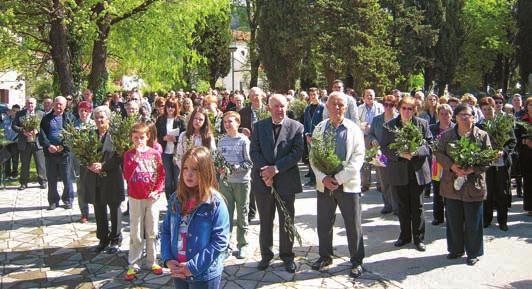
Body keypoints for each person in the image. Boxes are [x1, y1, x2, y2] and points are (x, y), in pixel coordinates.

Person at [310, 92, 366, 278]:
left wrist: (339, 179)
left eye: (341, 104)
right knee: (324, 223)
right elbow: (313, 157)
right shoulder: (319, 128)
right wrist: (323, 177)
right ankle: (325, 256)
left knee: (353, 224)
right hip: (324, 184)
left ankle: (357, 261)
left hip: (347, 185)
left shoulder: (354, 129)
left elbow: (358, 158)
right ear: (327, 106)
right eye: (333, 104)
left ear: (346, 107)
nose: (337, 108)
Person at [161, 146, 230, 289]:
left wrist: (193, 267)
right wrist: (168, 258)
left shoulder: (214, 203)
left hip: (203, 275)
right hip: (178, 270)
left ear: (205, 171)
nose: (189, 174)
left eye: (195, 169)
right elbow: (166, 231)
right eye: (185, 168)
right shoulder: (176, 198)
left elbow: (220, 241)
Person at [250, 94, 304, 273]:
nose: (280, 110)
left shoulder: (297, 127)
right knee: (265, 220)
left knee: (287, 221)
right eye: (276, 106)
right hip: (263, 181)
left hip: (286, 181)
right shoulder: (258, 127)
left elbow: (296, 153)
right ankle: (266, 255)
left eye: (283, 106)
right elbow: (254, 151)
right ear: (269, 108)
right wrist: (265, 171)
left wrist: (275, 169)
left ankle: (287, 256)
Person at [434, 104, 491, 265]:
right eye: (461, 115)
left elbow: (488, 157)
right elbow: (438, 153)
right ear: (456, 117)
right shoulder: (447, 136)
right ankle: (456, 249)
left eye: (468, 115)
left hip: (473, 184)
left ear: (473, 117)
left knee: (473, 220)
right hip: (452, 184)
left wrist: (472, 168)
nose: (464, 118)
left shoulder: (482, 135)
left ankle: (473, 252)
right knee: (454, 219)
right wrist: (452, 166)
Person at [381, 96, 432, 252]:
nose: (407, 111)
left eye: (410, 108)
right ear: (399, 108)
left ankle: (419, 238)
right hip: (399, 171)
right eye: (404, 108)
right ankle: (404, 236)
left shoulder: (422, 124)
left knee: (417, 207)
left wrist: (416, 152)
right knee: (402, 206)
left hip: (417, 171)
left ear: (414, 110)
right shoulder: (389, 126)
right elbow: (385, 148)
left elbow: (429, 145)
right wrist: (400, 154)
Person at [123, 122, 166, 280]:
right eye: (135, 138)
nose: (139, 141)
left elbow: (161, 174)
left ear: (147, 137)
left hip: (152, 198)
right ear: (132, 138)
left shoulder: (155, 153)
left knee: (152, 229)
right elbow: (127, 175)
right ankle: (134, 263)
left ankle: (152, 261)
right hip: (135, 197)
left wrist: (158, 190)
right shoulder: (129, 155)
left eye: (142, 137)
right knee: (136, 230)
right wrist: (136, 158)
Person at [85, 106, 125, 253]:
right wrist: (89, 165)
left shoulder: (115, 136)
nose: (99, 120)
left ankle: (115, 239)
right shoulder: (90, 135)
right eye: (96, 118)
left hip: (112, 176)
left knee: (114, 209)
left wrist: (103, 166)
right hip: (95, 178)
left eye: (102, 117)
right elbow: (82, 152)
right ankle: (103, 238)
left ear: (108, 119)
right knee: (99, 208)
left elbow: (119, 156)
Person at [217, 111, 253, 259]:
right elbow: (218, 160)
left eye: (230, 121)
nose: (227, 124)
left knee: (242, 213)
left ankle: (242, 244)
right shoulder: (221, 141)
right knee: (226, 214)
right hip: (225, 182)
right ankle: (226, 244)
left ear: (238, 123)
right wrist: (219, 168)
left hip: (242, 182)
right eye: (225, 122)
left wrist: (237, 167)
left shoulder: (244, 141)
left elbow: (249, 162)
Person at [478, 97, 516, 231]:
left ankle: (502, 220)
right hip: (487, 165)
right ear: (481, 110)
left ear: (495, 108)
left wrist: (503, 151)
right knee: (487, 193)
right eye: (485, 109)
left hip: (501, 163)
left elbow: (512, 141)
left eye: (490, 108)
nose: (488, 111)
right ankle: (487, 219)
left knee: (502, 193)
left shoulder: (503, 122)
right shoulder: (479, 125)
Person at [38, 96, 75, 210]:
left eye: (61, 104)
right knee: (51, 179)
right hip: (50, 154)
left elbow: (72, 134)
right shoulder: (46, 118)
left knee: (67, 178)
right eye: (57, 104)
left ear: (65, 105)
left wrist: (62, 146)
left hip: (64, 153)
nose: (59, 106)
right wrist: (49, 145)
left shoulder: (69, 118)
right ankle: (53, 201)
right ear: (53, 104)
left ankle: (68, 200)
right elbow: (42, 134)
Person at [239, 87, 267, 221]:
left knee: (264, 181)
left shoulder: (268, 110)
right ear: (249, 98)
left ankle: (266, 211)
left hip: (266, 150)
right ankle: (251, 211)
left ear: (262, 96)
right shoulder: (243, 112)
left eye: (257, 95)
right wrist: (241, 129)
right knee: (251, 180)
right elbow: (234, 126)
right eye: (252, 96)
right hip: (249, 149)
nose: (255, 98)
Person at [368, 95, 399, 215]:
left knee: (395, 181)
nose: (388, 107)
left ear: (395, 106)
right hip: (380, 154)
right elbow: (370, 134)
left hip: (395, 155)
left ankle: (397, 207)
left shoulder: (399, 119)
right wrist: (372, 140)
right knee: (383, 180)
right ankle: (387, 205)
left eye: (391, 105)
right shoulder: (377, 119)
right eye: (386, 104)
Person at [12, 98, 47, 190]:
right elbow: (14, 126)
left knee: (40, 164)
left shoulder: (41, 113)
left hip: (37, 143)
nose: (30, 105)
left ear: (35, 104)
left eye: (32, 103)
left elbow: (46, 126)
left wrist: (37, 130)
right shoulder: (20, 114)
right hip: (24, 143)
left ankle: (43, 181)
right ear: (26, 104)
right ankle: (23, 183)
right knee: (24, 164)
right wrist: (22, 131)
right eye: (28, 103)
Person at [429, 104, 455, 225]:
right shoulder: (432, 128)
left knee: (451, 191)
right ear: (438, 115)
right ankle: (438, 217)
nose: (444, 116)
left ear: (451, 115)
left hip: (452, 164)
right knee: (437, 191)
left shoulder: (456, 128)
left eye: (447, 114)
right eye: (442, 114)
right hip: (437, 164)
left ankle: (451, 216)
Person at [155, 98, 186, 201]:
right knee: (168, 180)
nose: (170, 108)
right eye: (168, 106)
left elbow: (185, 135)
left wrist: (175, 139)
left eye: (172, 106)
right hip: (165, 153)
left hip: (177, 153)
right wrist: (163, 138)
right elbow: (156, 135)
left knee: (177, 180)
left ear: (176, 108)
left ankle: (178, 201)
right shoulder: (160, 119)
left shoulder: (180, 120)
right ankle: (169, 201)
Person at [358, 89, 384, 192]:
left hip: (377, 137)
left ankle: (380, 184)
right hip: (364, 137)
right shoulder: (360, 108)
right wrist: (361, 125)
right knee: (365, 162)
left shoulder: (380, 107)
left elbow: (383, 120)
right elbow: (356, 121)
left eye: (371, 95)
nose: (369, 97)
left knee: (379, 160)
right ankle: (365, 184)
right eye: (367, 96)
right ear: (363, 97)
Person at [73, 101, 95, 223]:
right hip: (79, 161)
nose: (83, 113)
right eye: (81, 110)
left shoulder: (94, 125)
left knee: (95, 186)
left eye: (86, 111)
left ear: (90, 112)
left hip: (92, 160)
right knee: (81, 187)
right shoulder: (73, 125)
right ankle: (84, 213)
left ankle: (97, 210)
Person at [303, 87, 325, 187]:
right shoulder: (307, 108)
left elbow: (325, 122)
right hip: (309, 137)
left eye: (314, 95)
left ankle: (320, 179)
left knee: (319, 159)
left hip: (320, 137)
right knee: (311, 159)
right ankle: (312, 179)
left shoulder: (323, 107)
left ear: (318, 95)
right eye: (311, 95)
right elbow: (306, 123)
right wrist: (307, 134)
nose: (312, 97)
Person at [516, 97, 532, 215]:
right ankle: (530, 207)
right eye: (530, 105)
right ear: (526, 107)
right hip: (526, 155)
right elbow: (517, 138)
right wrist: (525, 142)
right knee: (528, 180)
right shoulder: (522, 121)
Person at [3, 104, 20, 180]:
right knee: (6, 158)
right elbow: (3, 129)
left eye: (17, 111)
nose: (15, 112)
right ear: (11, 111)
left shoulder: (19, 120)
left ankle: (14, 174)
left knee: (15, 159)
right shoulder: (6, 119)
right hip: (6, 142)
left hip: (15, 142)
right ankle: (7, 174)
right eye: (14, 111)